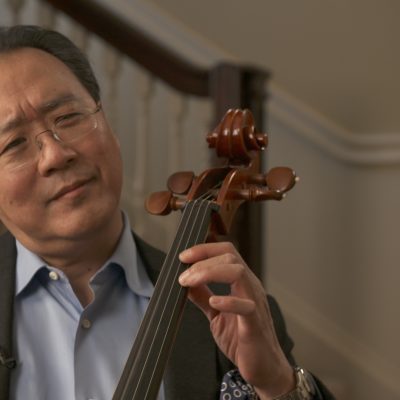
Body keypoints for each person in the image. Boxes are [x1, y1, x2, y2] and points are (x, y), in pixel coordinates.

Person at [0, 25, 334, 400]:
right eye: (13, 143)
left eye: (68, 117)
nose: (56, 155)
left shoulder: (228, 307)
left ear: (108, 124)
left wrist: (276, 383)